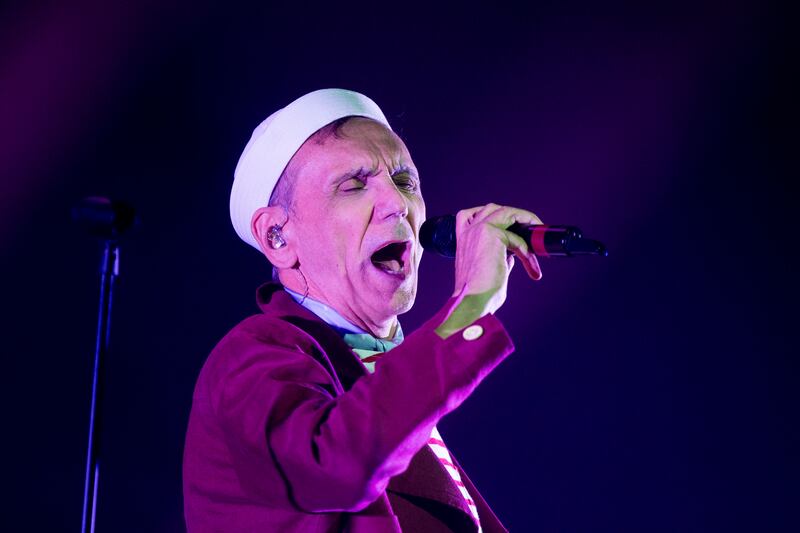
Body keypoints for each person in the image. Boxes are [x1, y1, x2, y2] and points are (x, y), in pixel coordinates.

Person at [183, 89, 543, 532]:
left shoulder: (376, 377)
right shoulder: (251, 357)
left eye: (405, 181)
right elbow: (334, 466)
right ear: (277, 235)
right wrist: (470, 306)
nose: (398, 204)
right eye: (353, 185)